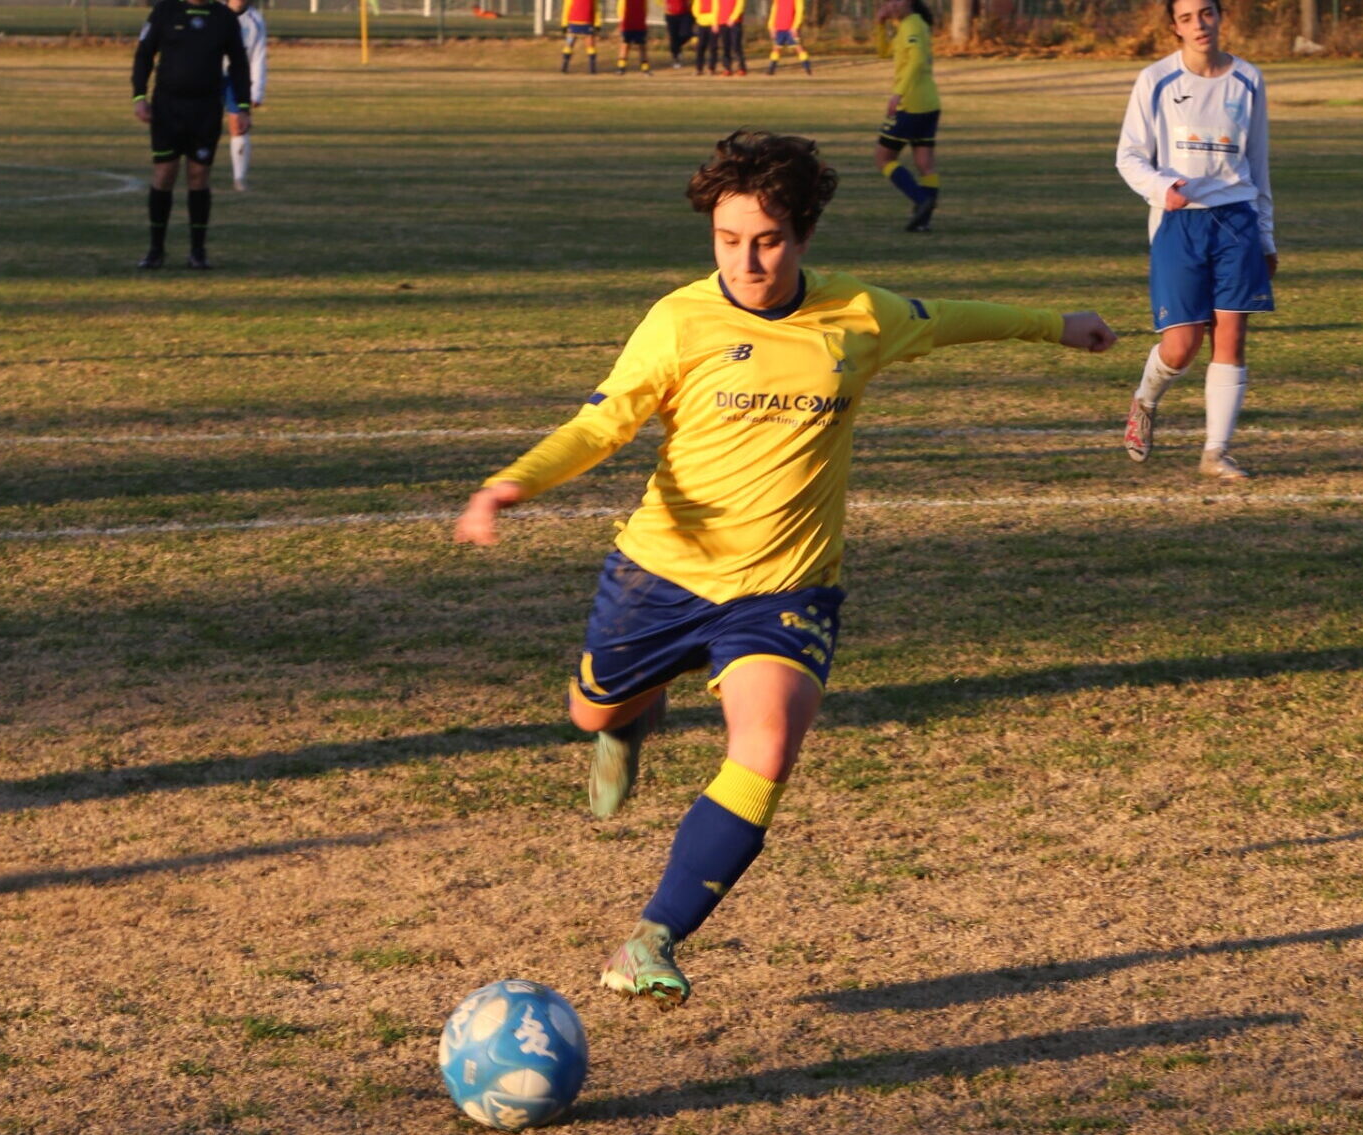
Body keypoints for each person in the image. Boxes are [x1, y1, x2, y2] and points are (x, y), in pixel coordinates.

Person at [453, 130, 1115, 1006]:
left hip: (785, 587)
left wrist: (1057, 326)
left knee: (766, 743)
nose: (747, 260)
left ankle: (652, 936)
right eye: (728, 241)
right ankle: (625, 721)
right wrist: (511, 484)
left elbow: (952, 317)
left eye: (766, 240)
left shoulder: (858, 318)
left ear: (803, 235)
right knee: (589, 710)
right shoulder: (680, 320)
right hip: (661, 574)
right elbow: (598, 427)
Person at [1115, 0, 1275, 481]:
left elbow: (1260, 163)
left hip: (1237, 218)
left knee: (1231, 333)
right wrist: (1164, 189)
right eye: (1187, 18)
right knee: (1181, 346)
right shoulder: (1156, 80)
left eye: (1206, 13)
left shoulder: (1248, 80)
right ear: (1174, 27)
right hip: (1178, 224)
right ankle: (1145, 399)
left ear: (1221, 17)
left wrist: (1266, 235)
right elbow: (1129, 157)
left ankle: (1215, 452)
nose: (1199, 24)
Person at [132, 0, 251, 270]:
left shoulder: (224, 17)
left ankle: (198, 252)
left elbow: (239, 63)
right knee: (164, 173)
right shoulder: (165, 11)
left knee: (199, 176)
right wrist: (139, 96)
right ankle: (155, 251)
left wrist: (242, 106)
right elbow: (144, 53)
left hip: (206, 108)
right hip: (167, 107)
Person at [873, 0, 941, 232]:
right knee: (924, 164)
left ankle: (921, 200)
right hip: (929, 103)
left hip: (911, 105)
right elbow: (884, 53)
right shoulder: (912, 24)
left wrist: (897, 94)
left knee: (883, 158)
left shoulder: (911, 25)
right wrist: (881, 26)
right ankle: (923, 222)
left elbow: (916, 60)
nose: (890, 5)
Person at [224, 0, 266, 191]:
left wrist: (256, 91)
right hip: (208, 74)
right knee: (199, 125)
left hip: (236, 78)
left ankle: (239, 178)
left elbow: (259, 57)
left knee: (238, 125)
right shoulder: (215, 12)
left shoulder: (255, 20)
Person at [766, 0, 812, 75]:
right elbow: (774, 11)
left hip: (791, 28)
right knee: (776, 48)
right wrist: (771, 26)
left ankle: (807, 69)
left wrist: (795, 27)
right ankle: (771, 70)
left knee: (798, 48)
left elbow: (799, 12)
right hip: (779, 27)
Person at [560, 0, 600, 74]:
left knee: (590, 44)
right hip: (574, 22)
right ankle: (564, 66)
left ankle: (592, 67)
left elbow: (596, 9)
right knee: (569, 44)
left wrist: (597, 23)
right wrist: (564, 23)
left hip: (586, 22)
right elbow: (566, 8)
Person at [617, 0, 651, 74]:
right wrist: (621, 20)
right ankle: (621, 67)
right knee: (625, 45)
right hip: (628, 22)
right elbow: (620, 7)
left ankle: (645, 68)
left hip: (639, 22)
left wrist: (644, 19)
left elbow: (646, 8)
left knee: (642, 46)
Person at [714, 0, 747, 76]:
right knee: (726, 47)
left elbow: (740, 6)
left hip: (735, 22)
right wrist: (715, 22)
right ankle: (727, 68)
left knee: (736, 46)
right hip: (722, 22)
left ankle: (741, 68)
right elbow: (716, 8)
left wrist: (733, 18)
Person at [663, 0, 695, 67]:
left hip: (684, 13)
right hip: (671, 14)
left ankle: (677, 47)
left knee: (686, 34)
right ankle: (676, 59)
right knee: (673, 37)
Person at [692, 0, 719, 74]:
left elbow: (718, 9)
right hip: (701, 23)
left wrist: (715, 22)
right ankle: (699, 68)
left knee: (713, 47)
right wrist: (699, 18)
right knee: (700, 47)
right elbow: (695, 8)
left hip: (713, 24)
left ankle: (711, 68)